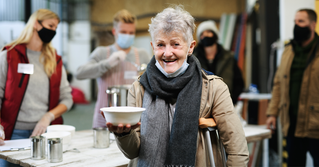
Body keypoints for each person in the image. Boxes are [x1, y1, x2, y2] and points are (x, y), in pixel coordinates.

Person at [105, 6, 249, 167]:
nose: (167, 53)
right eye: (161, 45)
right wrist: (124, 134)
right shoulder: (139, 88)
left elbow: (238, 149)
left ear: (191, 47)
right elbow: (133, 152)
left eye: (175, 44)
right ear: (153, 47)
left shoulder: (214, 88)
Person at [0, 9, 73, 166]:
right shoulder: (9, 55)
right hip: (13, 134)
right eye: (50, 25)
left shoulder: (54, 60)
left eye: (56, 28)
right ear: (35, 23)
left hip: (46, 133)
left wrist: (48, 117)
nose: (53, 31)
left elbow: (67, 98)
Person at [75, 9, 151, 128]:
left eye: (131, 33)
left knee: (131, 145)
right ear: (114, 31)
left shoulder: (142, 54)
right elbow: (79, 74)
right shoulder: (102, 53)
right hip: (105, 117)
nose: (128, 35)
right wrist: (108, 63)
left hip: (132, 116)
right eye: (123, 32)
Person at [266, 9, 319, 166]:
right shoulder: (288, 51)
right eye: (295, 22)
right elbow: (278, 85)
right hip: (291, 124)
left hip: (315, 124)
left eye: (301, 22)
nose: (296, 26)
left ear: (313, 24)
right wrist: (272, 113)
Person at [194, 20, 244, 104]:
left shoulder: (229, 57)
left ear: (215, 35)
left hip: (224, 104)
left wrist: (231, 100)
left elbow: (239, 83)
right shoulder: (193, 59)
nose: (205, 35)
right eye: (202, 34)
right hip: (200, 106)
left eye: (209, 32)